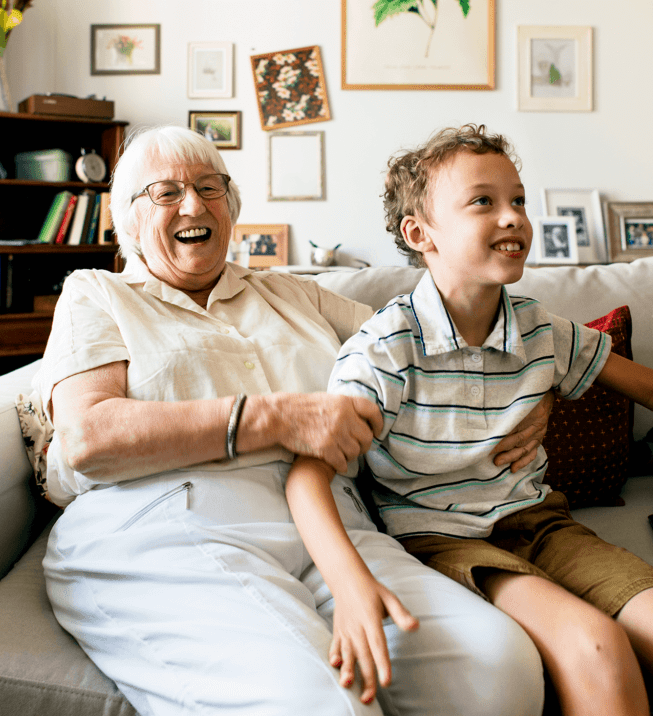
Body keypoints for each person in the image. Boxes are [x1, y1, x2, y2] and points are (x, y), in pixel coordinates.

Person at [284, 124, 653, 716]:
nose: (513, 217)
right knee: (596, 647)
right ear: (422, 234)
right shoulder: (385, 349)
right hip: (438, 538)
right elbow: (307, 475)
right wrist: (350, 585)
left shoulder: (536, 326)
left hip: (541, 522)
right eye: (483, 202)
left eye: (518, 199)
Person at [34, 125, 552, 716]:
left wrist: (539, 398)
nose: (195, 205)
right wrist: (272, 418)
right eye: (166, 192)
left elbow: (440, 344)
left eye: (211, 188)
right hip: (173, 524)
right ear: (127, 217)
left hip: (335, 527)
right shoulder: (99, 295)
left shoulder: (294, 293)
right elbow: (86, 437)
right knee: (318, 704)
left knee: (499, 664)